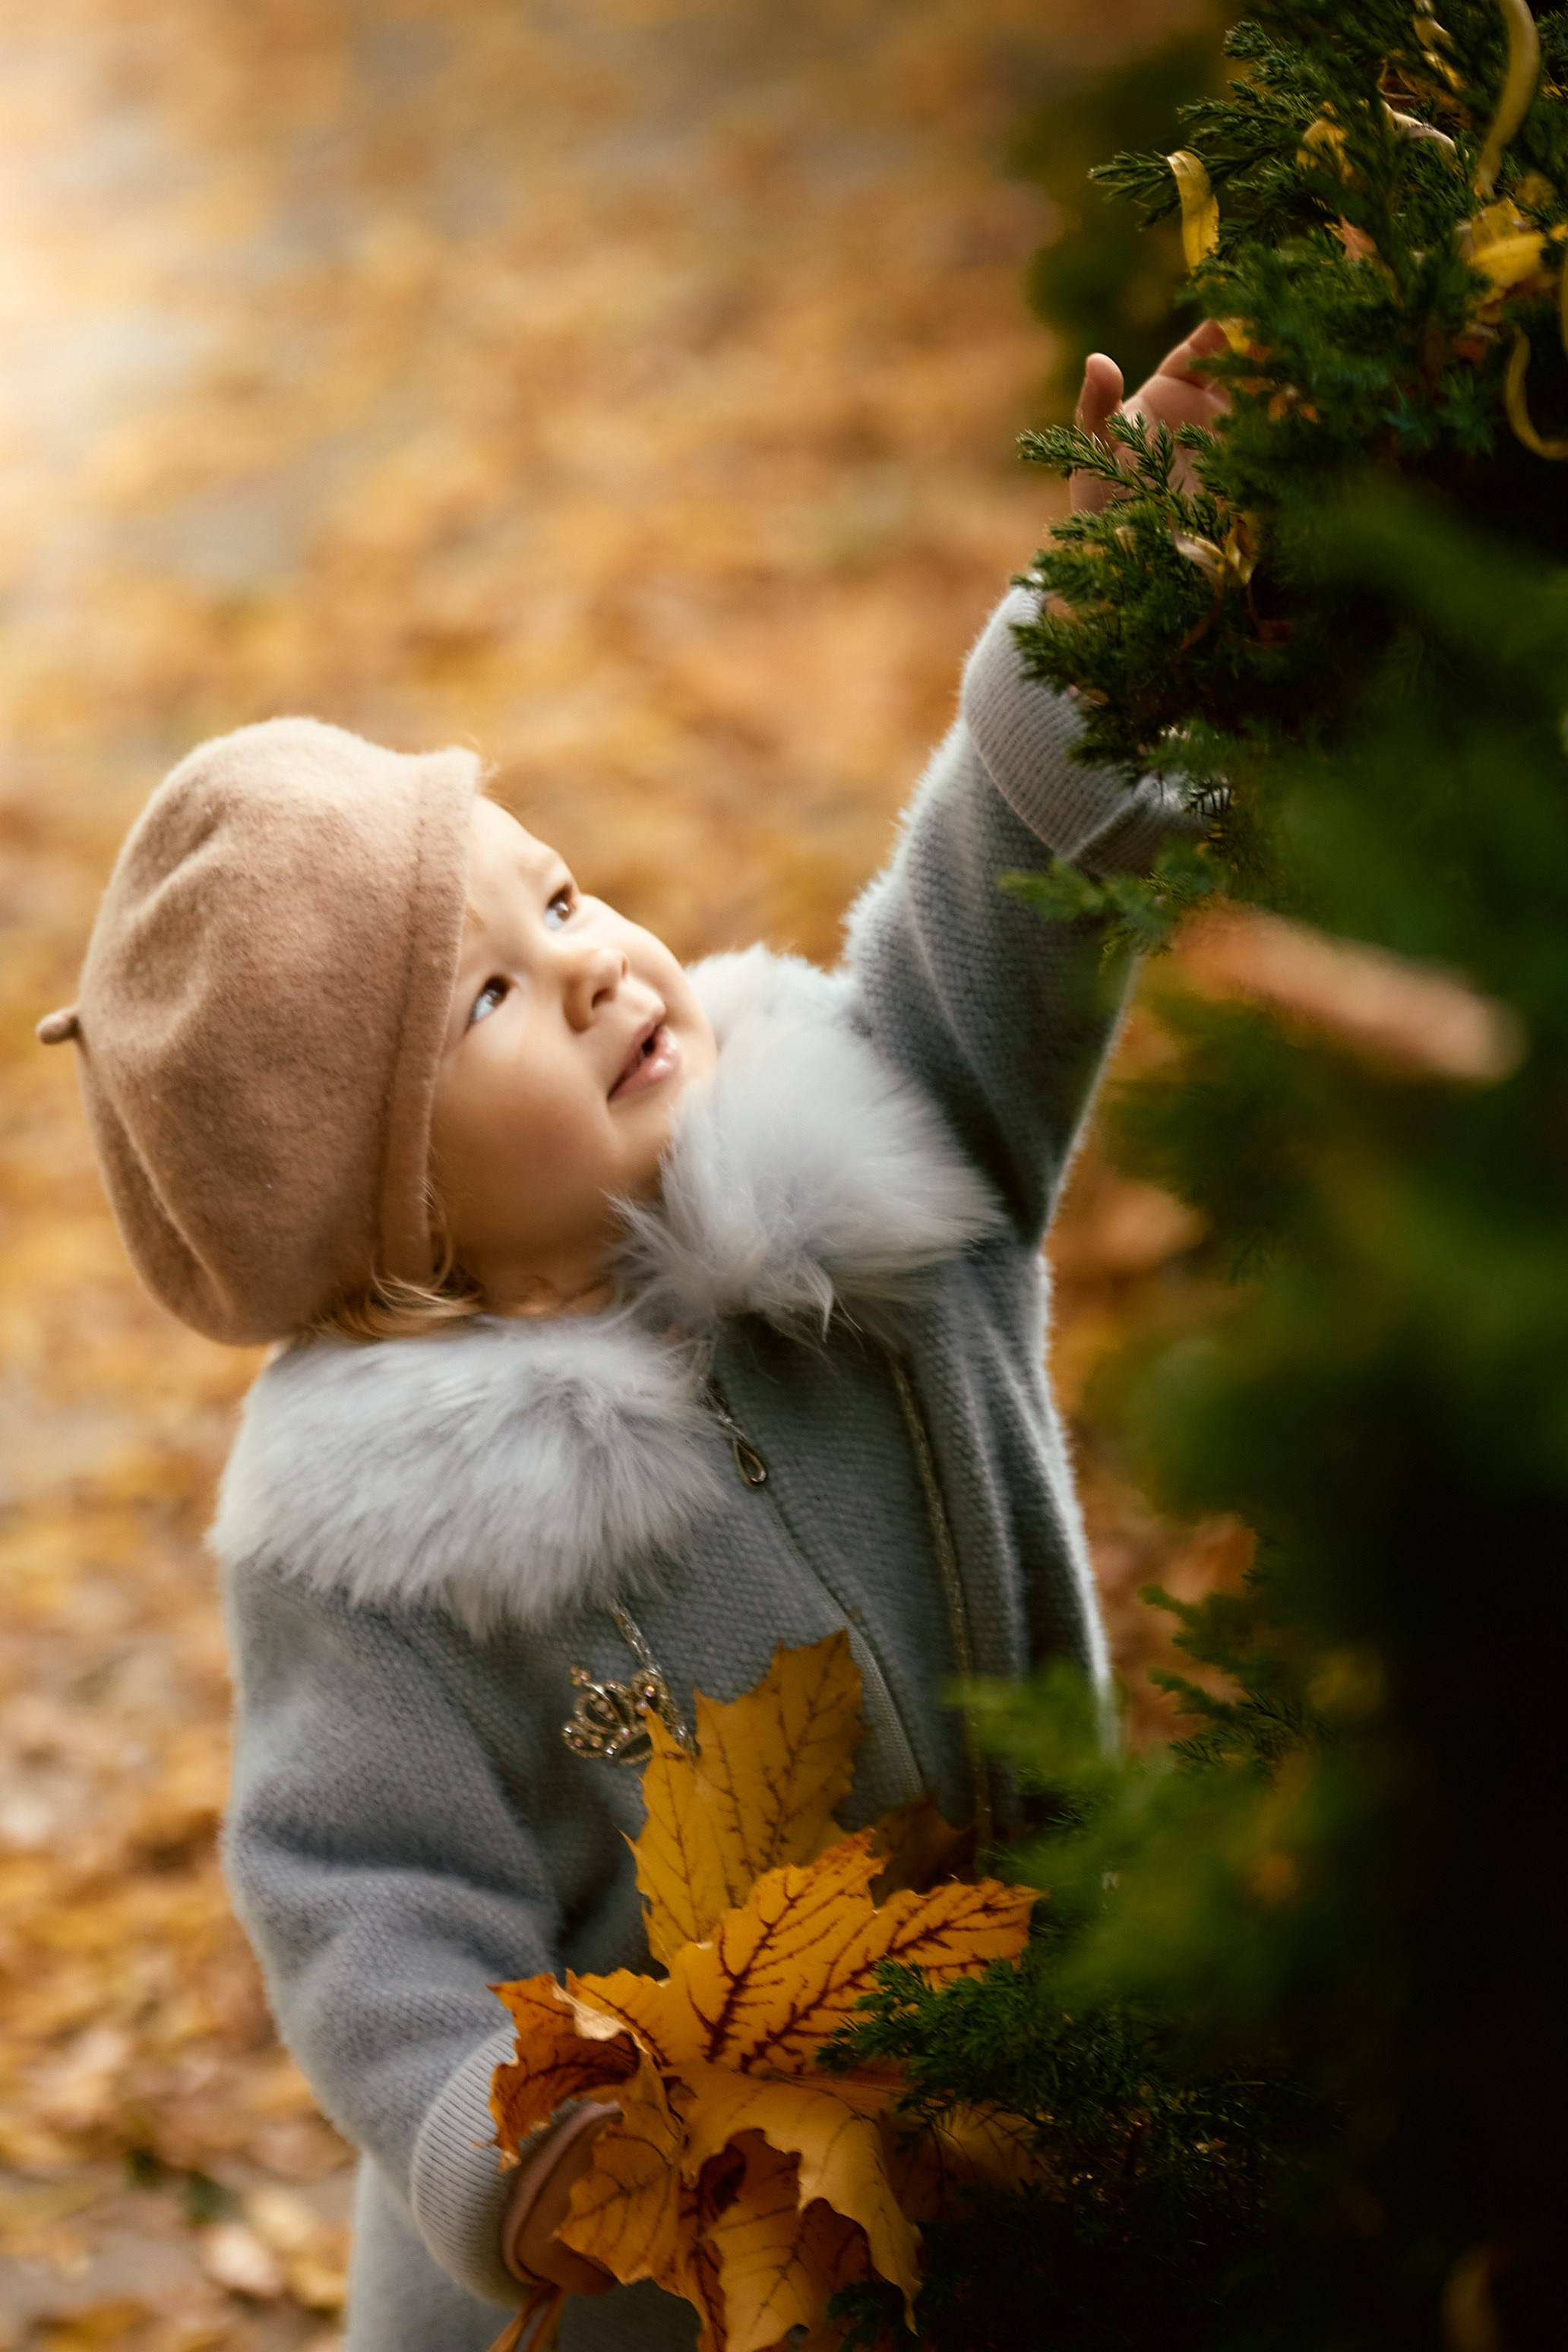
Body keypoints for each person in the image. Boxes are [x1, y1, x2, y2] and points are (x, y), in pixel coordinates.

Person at [37, 330, 1227, 2352]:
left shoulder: (875, 1165)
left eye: (564, 895)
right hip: (680, 2283)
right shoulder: (385, 1555)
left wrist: (1118, 600)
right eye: (488, 997)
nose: (591, 963)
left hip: (1034, 2111)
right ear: (393, 1223)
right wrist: (523, 2155)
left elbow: (1003, 884)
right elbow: (356, 1893)